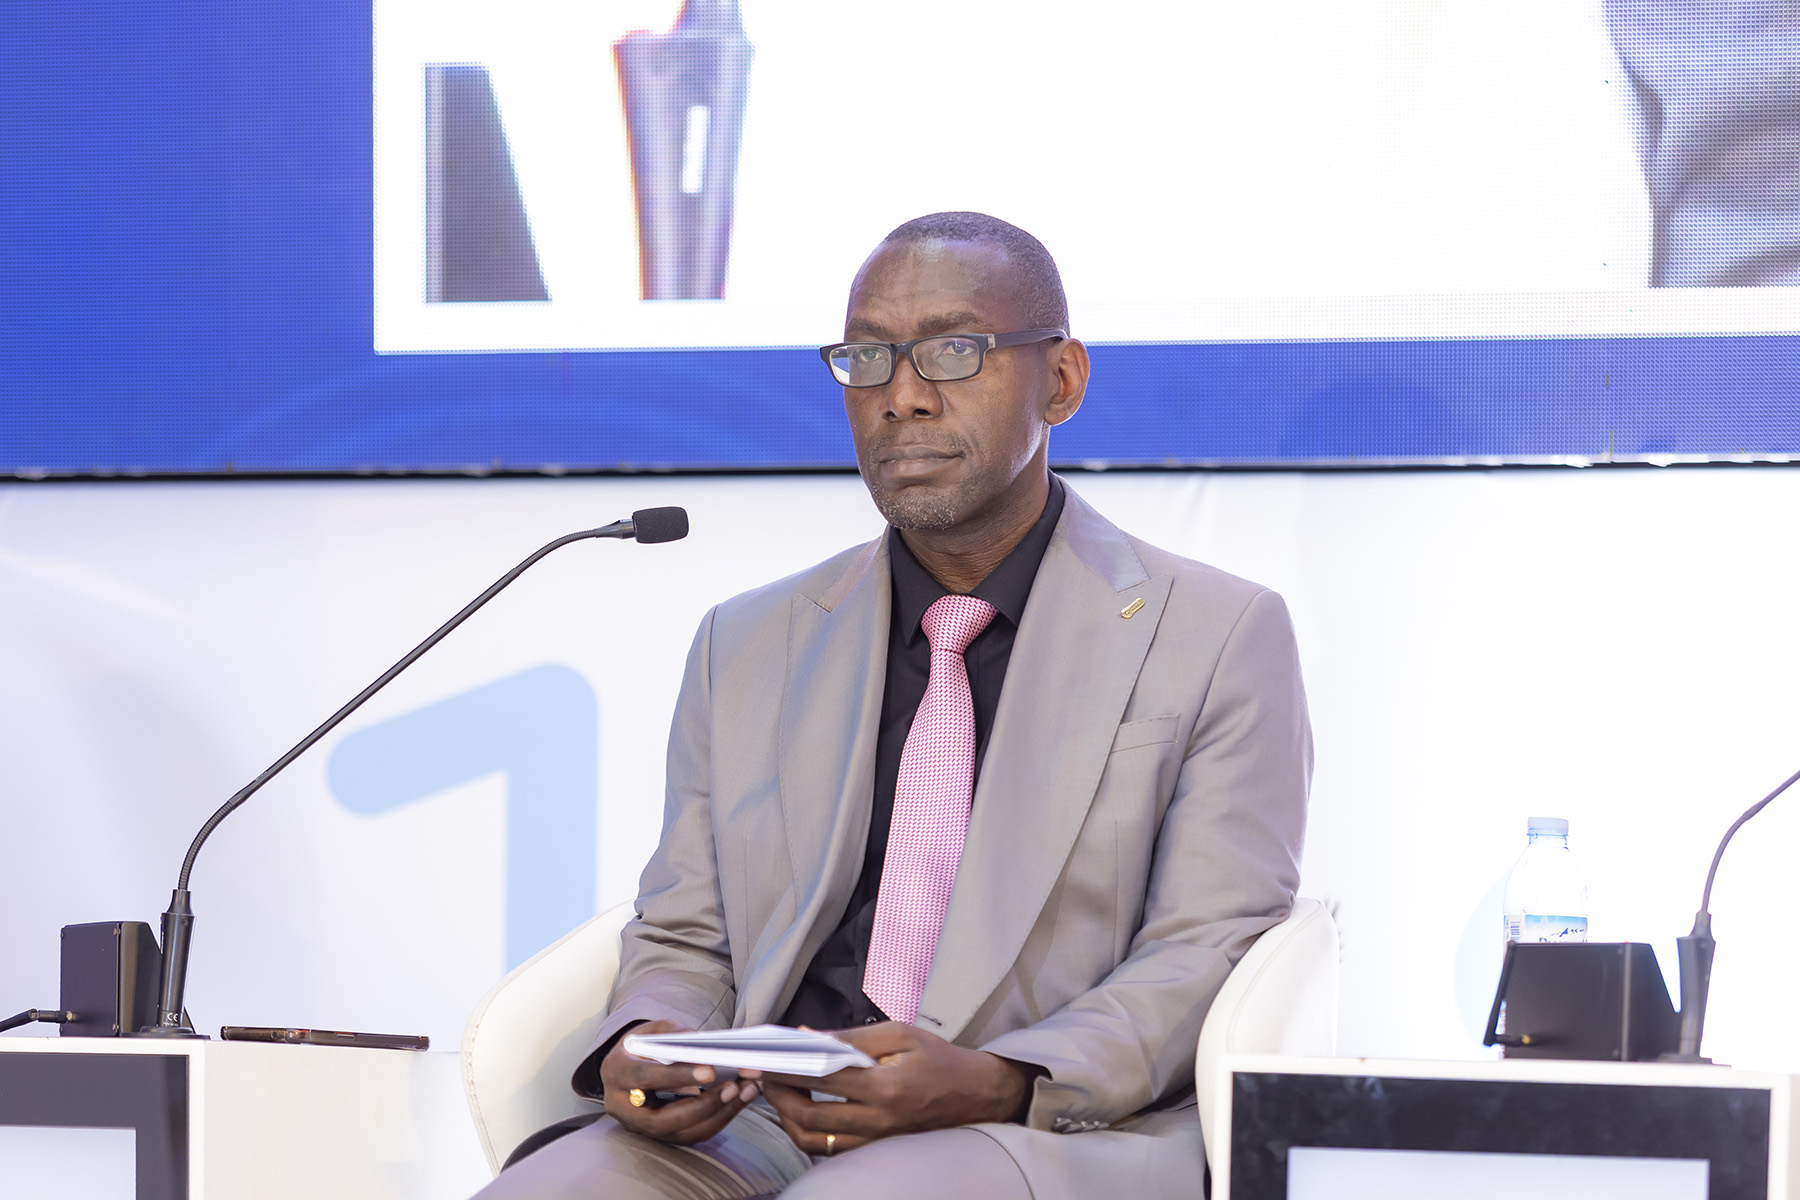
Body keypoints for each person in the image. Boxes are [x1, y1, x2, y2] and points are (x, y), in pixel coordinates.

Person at [472, 211, 1311, 1199]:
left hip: (1036, 1125)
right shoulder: (747, 643)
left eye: (954, 351)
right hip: (761, 1118)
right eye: (867, 358)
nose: (901, 396)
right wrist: (656, 1038)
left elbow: (1204, 950)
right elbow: (687, 935)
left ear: (1062, 380)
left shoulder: (1217, 634)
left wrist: (1000, 1078)